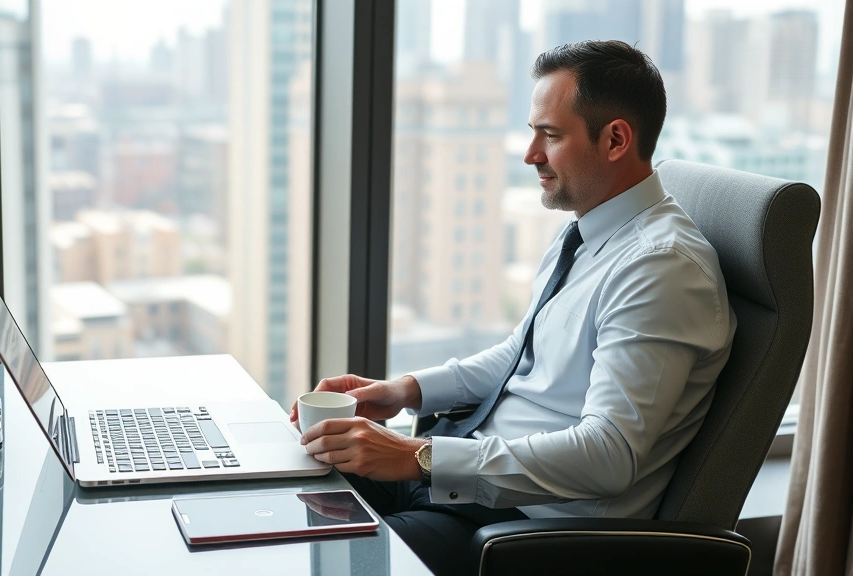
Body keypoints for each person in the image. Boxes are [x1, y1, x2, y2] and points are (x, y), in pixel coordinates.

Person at [289, 39, 737, 576]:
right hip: (460, 480)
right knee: (297, 473)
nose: (530, 154)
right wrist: (403, 391)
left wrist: (417, 456)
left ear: (616, 138)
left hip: (522, 528)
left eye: (550, 134)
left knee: (321, 556)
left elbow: (610, 454)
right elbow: (520, 355)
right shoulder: (588, 232)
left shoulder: (662, 269)